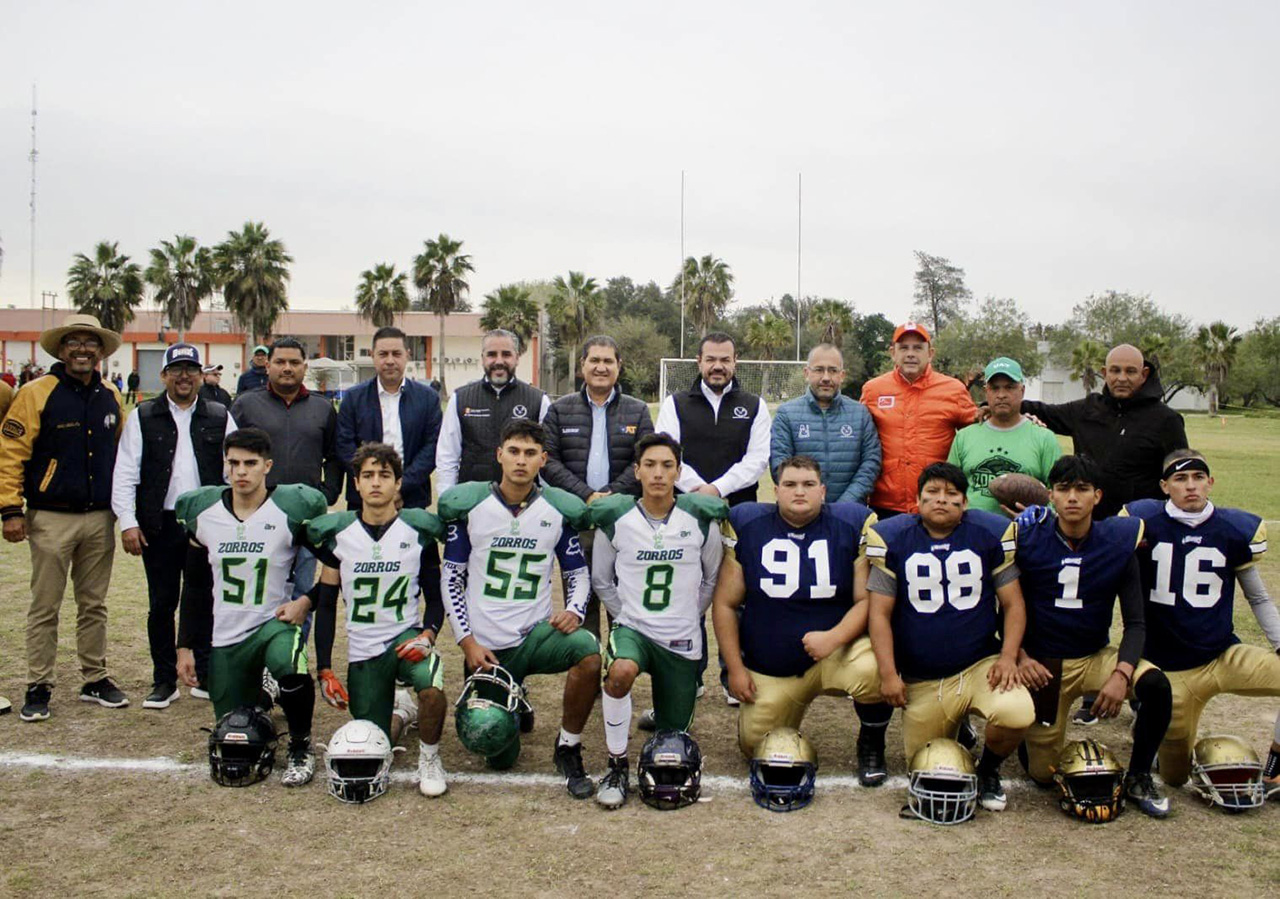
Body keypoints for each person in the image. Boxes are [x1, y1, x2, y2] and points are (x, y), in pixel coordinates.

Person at [438, 419, 601, 799]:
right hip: (487, 647)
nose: (521, 460)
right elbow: (451, 579)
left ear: (543, 459)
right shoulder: (472, 508)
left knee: (589, 653)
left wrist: (575, 610)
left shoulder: (555, 510)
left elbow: (577, 573)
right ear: (499, 455)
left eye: (530, 453)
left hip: (535, 635)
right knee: (496, 749)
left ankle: (568, 746)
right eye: (513, 451)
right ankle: (516, 697)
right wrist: (467, 642)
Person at [712, 455, 892, 785]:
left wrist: (834, 637)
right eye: (790, 484)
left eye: (808, 485)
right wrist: (735, 668)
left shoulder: (851, 523)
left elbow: (866, 600)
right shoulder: (748, 523)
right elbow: (725, 603)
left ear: (823, 491)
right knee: (756, 746)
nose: (799, 492)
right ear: (776, 491)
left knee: (877, 668)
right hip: (773, 664)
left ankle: (871, 743)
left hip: (836, 653)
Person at [866, 462, 1035, 812]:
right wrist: (888, 673)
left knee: (1017, 712)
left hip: (979, 666)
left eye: (951, 493)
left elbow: (1013, 604)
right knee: (925, 768)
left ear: (965, 502)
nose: (941, 500)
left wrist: (1008, 656)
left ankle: (988, 770)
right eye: (932, 492)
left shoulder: (988, 534)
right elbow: (879, 613)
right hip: (923, 678)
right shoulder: (893, 538)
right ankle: (959, 727)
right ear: (917, 500)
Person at [1014, 455, 1174, 817]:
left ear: (1097, 496)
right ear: (1050, 496)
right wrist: (1021, 656)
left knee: (1155, 686)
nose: (1072, 497)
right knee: (1042, 774)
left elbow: (1136, 623)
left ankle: (1138, 775)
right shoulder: (1027, 537)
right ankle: (1031, 737)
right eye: (1063, 489)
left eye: (1082, 489)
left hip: (1094, 656)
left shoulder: (1117, 542)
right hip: (1044, 663)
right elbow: (1007, 608)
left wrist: (1121, 674)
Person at [174, 427, 328, 786]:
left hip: (272, 624)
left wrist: (306, 601)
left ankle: (301, 746)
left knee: (288, 662)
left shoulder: (288, 510)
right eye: (234, 463)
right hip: (227, 635)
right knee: (235, 729)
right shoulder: (204, 512)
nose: (241, 471)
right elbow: (194, 586)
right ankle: (264, 694)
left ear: (267, 466)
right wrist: (184, 646)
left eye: (250, 463)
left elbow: (338, 565)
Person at [1121, 449, 1280, 793]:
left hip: (1221, 656)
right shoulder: (1142, 522)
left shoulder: (1234, 529)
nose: (1190, 486)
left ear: (1211, 482)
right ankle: (1150, 724)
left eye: (1198, 477)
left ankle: (1277, 765)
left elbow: (1257, 597)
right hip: (1167, 671)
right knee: (1175, 776)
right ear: (1164, 486)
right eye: (1180, 479)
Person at [1, 314, 129, 722]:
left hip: (99, 518)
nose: (82, 349)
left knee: (94, 604)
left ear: (101, 351)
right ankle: (39, 684)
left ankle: (95, 678)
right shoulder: (36, 393)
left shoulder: (111, 394)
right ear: (61, 350)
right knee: (45, 606)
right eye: (73, 342)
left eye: (90, 343)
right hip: (50, 517)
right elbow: (11, 454)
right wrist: (10, 510)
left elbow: (123, 453)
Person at [588, 433, 726, 808]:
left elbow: (711, 578)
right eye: (650, 465)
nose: (658, 473)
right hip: (633, 629)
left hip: (681, 636)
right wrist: (626, 616)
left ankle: (662, 713)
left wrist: (690, 613)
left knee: (673, 736)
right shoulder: (616, 519)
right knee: (620, 671)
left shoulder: (699, 520)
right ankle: (616, 764)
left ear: (678, 472)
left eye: (667, 465)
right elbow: (601, 579)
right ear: (637, 471)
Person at [306, 442, 450, 797]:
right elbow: (326, 605)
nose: (375, 482)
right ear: (355, 483)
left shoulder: (418, 535)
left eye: (384, 475)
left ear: (398, 483)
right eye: (367, 475)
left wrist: (428, 635)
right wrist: (324, 669)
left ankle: (430, 758)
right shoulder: (339, 537)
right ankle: (401, 713)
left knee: (432, 687)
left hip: (406, 639)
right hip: (364, 650)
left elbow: (435, 599)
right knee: (374, 742)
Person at [112, 343, 237, 710]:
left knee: (207, 600)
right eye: (177, 369)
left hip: (207, 523)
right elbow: (125, 473)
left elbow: (234, 469)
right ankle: (164, 679)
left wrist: (232, 518)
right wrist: (128, 522)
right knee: (162, 603)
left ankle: (207, 674)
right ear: (163, 375)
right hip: (160, 523)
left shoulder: (220, 415)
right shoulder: (143, 415)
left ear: (201, 375)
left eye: (191, 369)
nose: (184, 376)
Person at [656, 331, 772, 703]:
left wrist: (717, 489)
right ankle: (691, 675)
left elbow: (757, 460)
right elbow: (668, 454)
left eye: (725, 359)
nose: (718, 366)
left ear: (735, 362)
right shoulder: (675, 403)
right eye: (711, 359)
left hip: (740, 513)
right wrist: (698, 491)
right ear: (699, 362)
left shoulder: (754, 405)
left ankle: (732, 677)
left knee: (736, 596)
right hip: (686, 511)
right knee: (689, 593)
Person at [543, 335, 655, 637]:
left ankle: (621, 661)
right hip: (576, 521)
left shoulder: (638, 410)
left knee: (622, 599)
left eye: (608, 361)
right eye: (594, 360)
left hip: (622, 522)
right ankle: (589, 660)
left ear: (619, 366)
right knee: (582, 602)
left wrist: (610, 497)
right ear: (582, 365)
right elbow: (548, 461)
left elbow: (645, 460)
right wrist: (586, 496)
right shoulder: (559, 410)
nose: (601, 367)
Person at [231, 337, 343, 607]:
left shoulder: (323, 407)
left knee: (302, 589)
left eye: (294, 362)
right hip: (259, 513)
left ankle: (297, 636)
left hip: (306, 516)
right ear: (267, 365)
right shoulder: (246, 405)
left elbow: (335, 456)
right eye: (280, 362)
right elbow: (229, 456)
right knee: (260, 588)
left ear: (304, 367)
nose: (287, 368)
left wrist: (328, 492)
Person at [1021, 344, 1187, 519]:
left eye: (1130, 371)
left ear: (1144, 374)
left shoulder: (1166, 420)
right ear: (1104, 372)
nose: (1122, 378)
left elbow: (1182, 475)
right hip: (1089, 526)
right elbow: (1043, 411)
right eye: (1115, 371)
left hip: (1141, 526)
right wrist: (1004, 408)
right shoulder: (1087, 410)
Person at [860, 322, 978, 519]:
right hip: (885, 503)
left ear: (930, 353)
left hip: (937, 503)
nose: (910, 354)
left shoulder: (953, 390)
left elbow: (979, 434)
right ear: (893, 353)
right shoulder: (873, 390)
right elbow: (858, 436)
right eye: (904, 348)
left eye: (917, 348)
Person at [435, 329, 549, 495]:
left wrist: (545, 498)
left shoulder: (538, 400)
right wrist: (447, 497)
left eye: (506, 354)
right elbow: (447, 456)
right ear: (482, 358)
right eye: (492, 354)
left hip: (523, 500)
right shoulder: (460, 399)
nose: (499, 361)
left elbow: (547, 458)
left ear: (517, 358)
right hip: (473, 499)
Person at [947, 357, 1061, 514]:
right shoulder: (964, 437)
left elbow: (1059, 492)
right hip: (973, 528)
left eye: (1009, 387)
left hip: (1025, 529)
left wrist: (1037, 516)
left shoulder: (1044, 438)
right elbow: (949, 487)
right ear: (986, 392)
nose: (1001, 395)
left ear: (1022, 391)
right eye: (995, 388)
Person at [770, 343, 881, 504]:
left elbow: (871, 463)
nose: (826, 378)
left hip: (849, 512)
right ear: (806, 373)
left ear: (842, 375)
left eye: (833, 370)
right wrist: (811, 503)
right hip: (802, 511)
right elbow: (779, 465)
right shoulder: (786, 414)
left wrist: (844, 504)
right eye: (819, 370)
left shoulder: (860, 414)